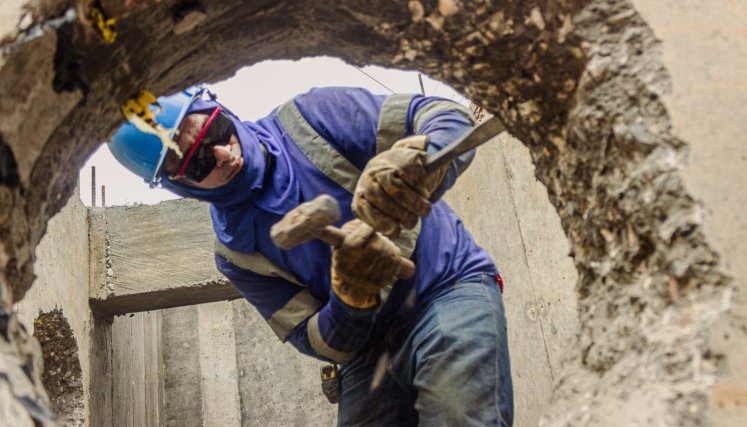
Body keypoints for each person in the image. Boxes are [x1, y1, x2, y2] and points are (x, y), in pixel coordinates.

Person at [109, 85, 513, 426]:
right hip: (369, 352)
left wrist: (423, 159)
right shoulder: (236, 254)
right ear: (179, 186)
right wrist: (351, 297)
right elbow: (319, 342)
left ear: (217, 107)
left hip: (445, 287)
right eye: (198, 162)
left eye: (218, 130)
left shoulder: (311, 119)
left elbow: (444, 115)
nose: (223, 155)